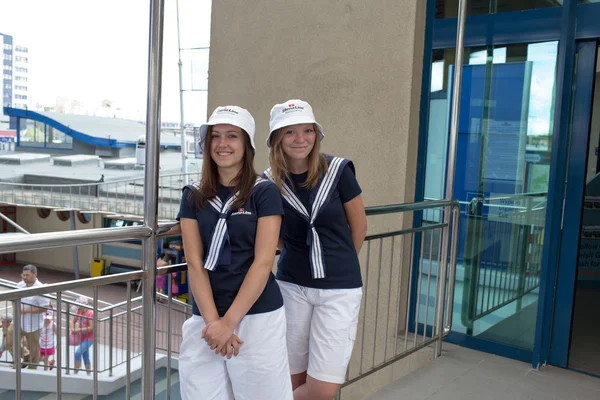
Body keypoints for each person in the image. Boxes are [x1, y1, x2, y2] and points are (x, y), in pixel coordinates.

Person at [177, 105, 292, 400]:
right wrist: (215, 323)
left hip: (257, 315)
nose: (222, 144)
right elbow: (194, 263)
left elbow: (263, 261)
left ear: (246, 145)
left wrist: (229, 324)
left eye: (232, 136)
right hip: (206, 318)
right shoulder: (193, 195)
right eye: (215, 136)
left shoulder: (263, 192)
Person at [264, 99, 368, 400]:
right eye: (290, 132)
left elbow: (359, 227)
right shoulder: (268, 182)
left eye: (307, 130)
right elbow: (275, 237)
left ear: (316, 134)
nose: (300, 139)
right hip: (291, 284)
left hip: (339, 288)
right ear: (277, 140)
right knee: (293, 374)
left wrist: (338, 264)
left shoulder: (339, 170)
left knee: (323, 389)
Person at [18, 264, 51, 370]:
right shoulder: (20, 285)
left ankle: (32, 369)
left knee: (34, 348)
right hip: (19, 321)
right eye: (23, 275)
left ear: (35, 274)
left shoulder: (40, 288)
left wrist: (27, 310)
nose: (25, 277)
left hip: (33, 324)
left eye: (27, 275)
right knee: (9, 341)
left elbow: (45, 308)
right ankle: (25, 355)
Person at [70, 296, 94, 375]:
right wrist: (72, 328)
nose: (77, 309)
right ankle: (89, 373)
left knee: (78, 353)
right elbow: (73, 321)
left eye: (79, 308)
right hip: (82, 337)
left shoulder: (90, 313)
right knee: (85, 355)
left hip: (89, 338)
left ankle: (75, 372)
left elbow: (91, 328)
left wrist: (78, 330)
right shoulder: (78, 312)